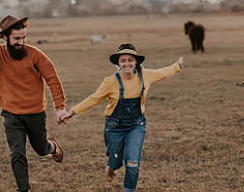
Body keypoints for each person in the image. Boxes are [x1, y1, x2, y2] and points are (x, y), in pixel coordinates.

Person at [60, 43, 183, 192]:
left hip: (136, 125)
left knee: (132, 164)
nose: (127, 64)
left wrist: (177, 66)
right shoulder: (110, 82)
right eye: (123, 60)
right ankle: (112, 167)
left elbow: (164, 72)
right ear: (118, 63)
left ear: (136, 61)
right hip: (114, 127)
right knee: (116, 161)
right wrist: (71, 112)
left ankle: (129, 189)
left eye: (130, 60)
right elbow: (93, 99)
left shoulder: (146, 76)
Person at [0, 15, 66, 192]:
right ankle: (24, 189)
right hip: (11, 114)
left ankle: (52, 146)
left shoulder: (35, 54)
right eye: (17, 38)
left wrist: (60, 107)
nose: (21, 42)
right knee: (17, 152)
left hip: (35, 113)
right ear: (4, 37)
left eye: (24, 37)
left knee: (41, 149)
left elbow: (53, 80)